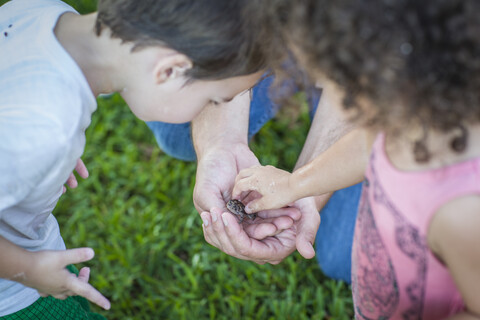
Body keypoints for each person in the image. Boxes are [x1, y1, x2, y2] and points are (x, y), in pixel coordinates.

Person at [0, 0, 265, 318]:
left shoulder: (39, 12)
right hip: (16, 294)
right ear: (168, 71)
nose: (202, 112)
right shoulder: (47, 129)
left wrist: (38, 162)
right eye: (212, 99)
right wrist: (30, 270)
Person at [232, 0, 480, 318]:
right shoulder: (405, 116)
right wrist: (295, 185)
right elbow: (365, 147)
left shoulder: (463, 211)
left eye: (335, 86)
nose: (326, 97)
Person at [147, 52, 361, 282]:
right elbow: (225, 30)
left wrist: (305, 188)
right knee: (177, 128)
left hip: (366, 71)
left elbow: (369, 77)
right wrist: (220, 144)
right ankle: (279, 61)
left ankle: (315, 74)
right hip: (271, 36)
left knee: (344, 260)